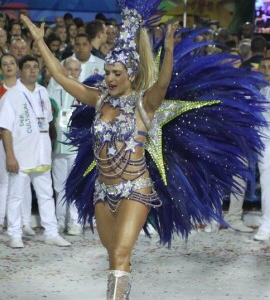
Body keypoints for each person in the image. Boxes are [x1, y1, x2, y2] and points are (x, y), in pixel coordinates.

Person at [22, 4, 266, 300]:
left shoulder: (143, 104)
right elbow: (62, 76)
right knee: (114, 256)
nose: (109, 78)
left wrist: (171, 51)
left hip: (136, 190)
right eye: (107, 72)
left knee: (122, 253)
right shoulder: (99, 101)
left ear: (131, 74)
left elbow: (162, 84)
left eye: (116, 73)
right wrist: (40, 43)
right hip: (103, 191)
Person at [0, 55, 70, 249]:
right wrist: (10, 156)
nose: (32, 70)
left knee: (46, 194)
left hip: (42, 152)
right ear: (21, 70)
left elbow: (47, 122)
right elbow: (5, 128)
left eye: (35, 67)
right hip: (20, 155)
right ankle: (14, 234)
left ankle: (51, 233)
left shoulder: (43, 91)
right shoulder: (11, 95)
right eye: (27, 67)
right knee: (15, 195)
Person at [0, 53, 35, 236]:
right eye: (4, 64)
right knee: (3, 182)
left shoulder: (28, 90)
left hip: (24, 142)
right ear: (0, 69)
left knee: (25, 181)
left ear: (17, 67)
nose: (8, 67)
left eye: (12, 63)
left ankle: (25, 222)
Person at [48, 57, 82, 235]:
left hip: (76, 147)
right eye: (69, 69)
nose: (72, 73)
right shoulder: (53, 90)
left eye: (76, 70)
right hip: (58, 147)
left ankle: (75, 221)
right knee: (58, 186)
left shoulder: (84, 92)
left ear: (80, 72)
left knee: (74, 185)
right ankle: (60, 220)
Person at [254, 57, 270, 241]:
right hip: (264, 139)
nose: (266, 70)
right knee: (266, 181)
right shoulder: (260, 89)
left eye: (269, 67)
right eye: (264, 67)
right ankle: (266, 224)